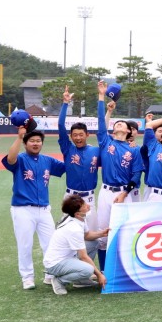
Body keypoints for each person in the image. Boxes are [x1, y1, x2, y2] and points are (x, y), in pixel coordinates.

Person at [2, 126, 66, 289]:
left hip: (44, 209)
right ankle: (27, 277)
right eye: (32, 141)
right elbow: (10, 159)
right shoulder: (20, 159)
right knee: (25, 244)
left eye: (38, 141)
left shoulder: (48, 160)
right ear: (25, 143)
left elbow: (66, 167)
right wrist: (19, 137)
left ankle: (50, 274)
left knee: (51, 244)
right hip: (23, 209)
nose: (36, 143)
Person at [95, 82, 147, 269]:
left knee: (127, 232)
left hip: (123, 194)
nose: (119, 124)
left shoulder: (133, 150)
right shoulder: (105, 142)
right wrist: (102, 98)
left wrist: (125, 193)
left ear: (128, 131)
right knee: (103, 232)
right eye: (116, 123)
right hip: (106, 192)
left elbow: (136, 174)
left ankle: (127, 271)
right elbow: (101, 124)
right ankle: (103, 271)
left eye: (122, 124)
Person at [57, 86, 101, 255]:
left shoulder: (95, 151)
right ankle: (59, 270)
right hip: (71, 197)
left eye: (80, 134)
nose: (77, 137)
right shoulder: (68, 149)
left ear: (87, 134)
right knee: (65, 235)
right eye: (74, 134)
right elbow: (61, 125)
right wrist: (65, 103)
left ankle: (84, 273)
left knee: (91, 237)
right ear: (71, 136)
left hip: (89, 198)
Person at [43, 194, 109, 295]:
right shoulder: (74, 228)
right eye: (84, 206)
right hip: (55, 264)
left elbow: (87, 235)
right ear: (78, 213)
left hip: (66, 257)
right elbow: (83, 257)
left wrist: (102, 233)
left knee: (94, 243)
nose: (88, 206)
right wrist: (99, 275)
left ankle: (81, 281)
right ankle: (59, 281)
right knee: (88, 270)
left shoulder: (79, 218)